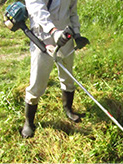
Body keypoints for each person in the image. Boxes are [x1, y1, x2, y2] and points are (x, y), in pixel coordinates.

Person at [22, 0, 89, 138]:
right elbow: (36, 9)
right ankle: (29, 122)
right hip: (42, 38)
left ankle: (68, 109)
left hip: (65, 38)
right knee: (37, 82)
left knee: (68, 75)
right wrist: (53, 31)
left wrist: (76, 34)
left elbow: (72, 11)